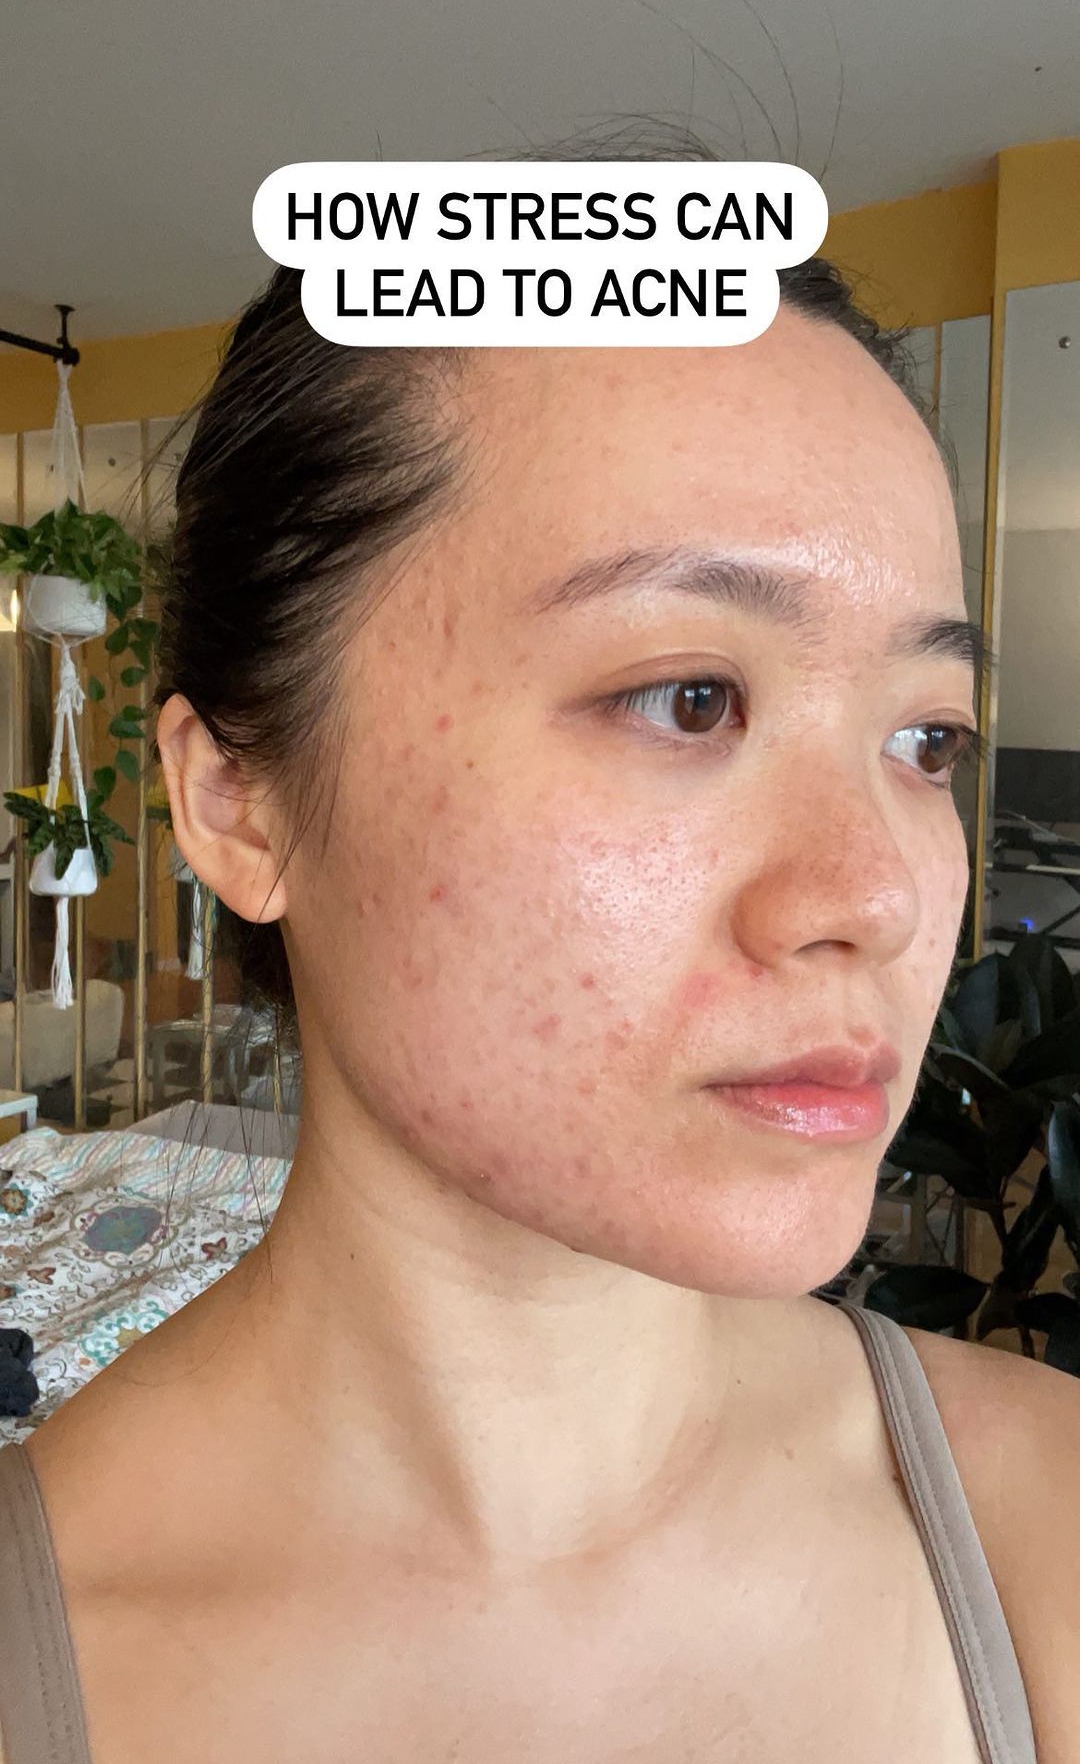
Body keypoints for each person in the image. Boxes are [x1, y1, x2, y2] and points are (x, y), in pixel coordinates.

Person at [1, 149, 1077, 1764]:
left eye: (928, 738)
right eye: (689, 700)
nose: (881, 896)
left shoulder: (1046, 1534)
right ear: (238, 801)